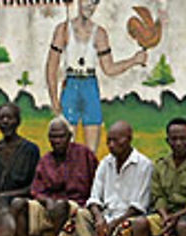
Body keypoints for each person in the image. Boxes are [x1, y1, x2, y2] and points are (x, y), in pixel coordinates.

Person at [56, 120, 152, 236]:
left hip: (128, 218)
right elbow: (94, 198)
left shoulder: (144, 165)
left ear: (128, 139)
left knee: (124, 228)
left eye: (115, 140)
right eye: (108, 141)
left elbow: (139, 205)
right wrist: (100, 219)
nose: (110, 145)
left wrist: (112, 223)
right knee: (78, 215)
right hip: (105, 215)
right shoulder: (105, 163)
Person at [46, 0, 147, 154]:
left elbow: (109, 68)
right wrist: (54, 98)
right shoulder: (64, 30)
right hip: (71, 83)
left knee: (91, 149)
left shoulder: (99, 33)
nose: (90, 7)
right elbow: (51, 66)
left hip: (90, 85)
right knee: (66, 145)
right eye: (87, 2)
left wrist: (134, 60)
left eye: (94, 3)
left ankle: (89, 176)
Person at [9, 117, 98, 236]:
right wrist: (46, 201)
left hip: (77, 205)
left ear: (70, 136)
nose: (57, 141)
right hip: (49, 204)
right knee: (18, 204)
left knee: (59, 207)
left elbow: (96, 185)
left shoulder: (84, 155)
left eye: (61, 136)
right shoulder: (46, 160)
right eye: (53, 137)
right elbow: (36, 190)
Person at [0, 103, 40, 205]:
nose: (5, 121)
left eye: (9, 118)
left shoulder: (30, 150)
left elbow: (34, 186)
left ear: (18, 121)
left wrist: (7, 196)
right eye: (1, 118)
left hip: (21, 204)